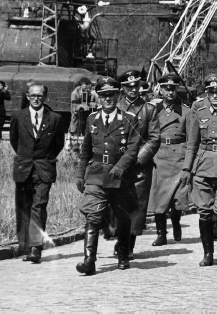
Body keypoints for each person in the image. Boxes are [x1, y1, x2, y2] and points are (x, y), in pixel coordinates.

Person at [75, 77, 140, 274]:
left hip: (120, 176)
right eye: (103, 96)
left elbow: (132, 148)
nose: (107, 99)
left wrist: (121, 166)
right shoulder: (92, 119)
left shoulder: (129, 119)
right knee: (93, 216)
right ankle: (89, 261)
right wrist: (80, 174)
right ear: (98, 97)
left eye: (111, 95)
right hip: (96, 174)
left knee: (122, 217)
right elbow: (85, 148)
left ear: (118, 95)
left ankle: (122, 254)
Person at [184, 73, 217, 266]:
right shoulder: (199, 112)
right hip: (203, 166)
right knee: (204, 212)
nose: (215, 95)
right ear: (207, 92)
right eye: (211, 92)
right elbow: (192, 143)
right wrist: (186, 169)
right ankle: (208, 253)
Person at [9, 82, 65, 263]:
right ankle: (25, 245)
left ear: (45, 97)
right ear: (27, 96)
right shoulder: (18, 116)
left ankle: (35, 248)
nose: (36, 99)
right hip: (23, 168)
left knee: (39, 206)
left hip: (44, 168)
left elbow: (58, 144)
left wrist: (45, 159)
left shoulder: (55, 118)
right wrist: (26, 157)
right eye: (32, 95)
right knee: (23, 206)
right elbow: (14, 140)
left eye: (39, 96)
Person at [114, 70, 160, 259]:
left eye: (136, 86)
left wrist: (138, 159)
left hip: (139, 166)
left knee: (136, 205)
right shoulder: (115, 106)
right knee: (115, 204)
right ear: (123, 88)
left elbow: (154, 138)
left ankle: (128, 246)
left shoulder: (149, 109)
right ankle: (118, 239)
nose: (133, 90)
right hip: (116, 163)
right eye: (129, 87)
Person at [148, 74, 192, 246]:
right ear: (160, 89)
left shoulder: (186, 111)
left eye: (173, 88)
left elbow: (191, 139)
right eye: (166, 88)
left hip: (178, 156)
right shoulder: (153, 110)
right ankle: (161, 234)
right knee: (160, 197)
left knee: (177, 198)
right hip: (159, 155)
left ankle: (176, 222)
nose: (170, 91)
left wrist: (188, 163)